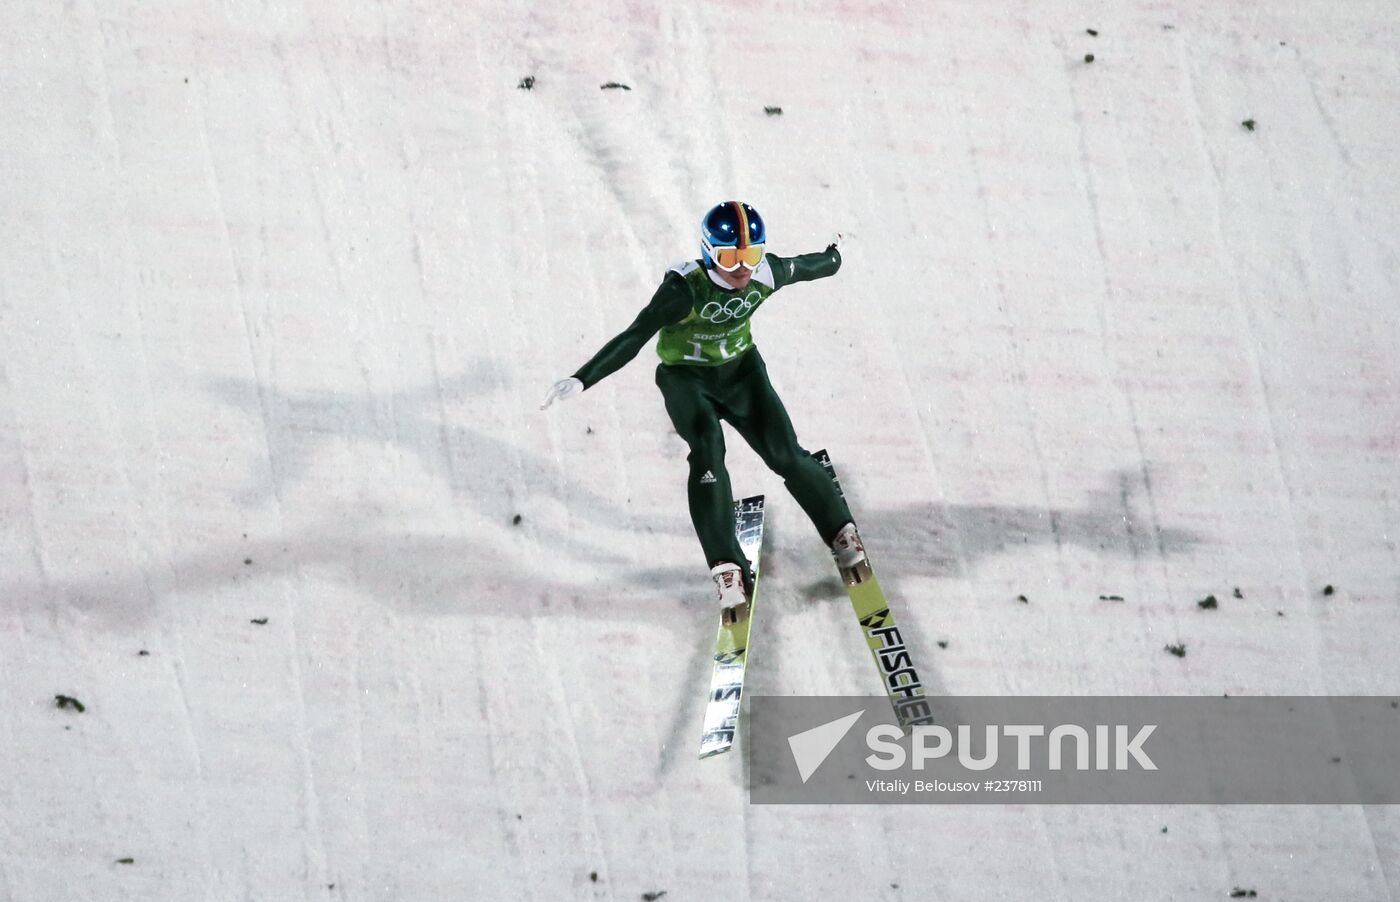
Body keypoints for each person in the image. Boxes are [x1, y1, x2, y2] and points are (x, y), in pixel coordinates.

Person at [541, 201, 866, 624]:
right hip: (686, 381)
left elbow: (808, 266)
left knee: (785, 454)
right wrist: (583, 378)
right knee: (708, 452)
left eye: (750, 255)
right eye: (730, 258)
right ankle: (726, 567)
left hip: (742, 373)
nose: (742, 268)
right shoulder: (684, 290)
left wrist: (837, 253)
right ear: (709, 253)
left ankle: (841, 531)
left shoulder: (764, 273)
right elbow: (635, 335)